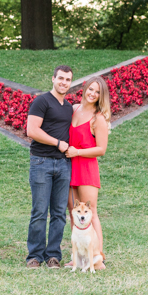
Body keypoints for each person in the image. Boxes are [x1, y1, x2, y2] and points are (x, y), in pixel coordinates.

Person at [25, 65, 74, 269]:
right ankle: (35, 256)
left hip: (63, 164)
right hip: (41, 162)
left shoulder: (69, 107)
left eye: (68, 79)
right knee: (39, 211)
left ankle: (53, 255)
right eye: (60, 78)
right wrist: (57, 143)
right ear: (53, 78)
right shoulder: (41, 101)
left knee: (59, 213)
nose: (64, 82)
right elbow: (32, 131)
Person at [65, 76, 110, 270]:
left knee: (91, 213)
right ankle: (78, 258)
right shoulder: (74, 109)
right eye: (90, 89)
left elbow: (101, 149)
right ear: (84, 89)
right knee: (74, 213)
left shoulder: (98, 118)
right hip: (68, 165)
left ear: (102, 96)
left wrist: (78, 152)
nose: (92, 93)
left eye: (97, 92)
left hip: (86, 167)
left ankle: (98, 257)